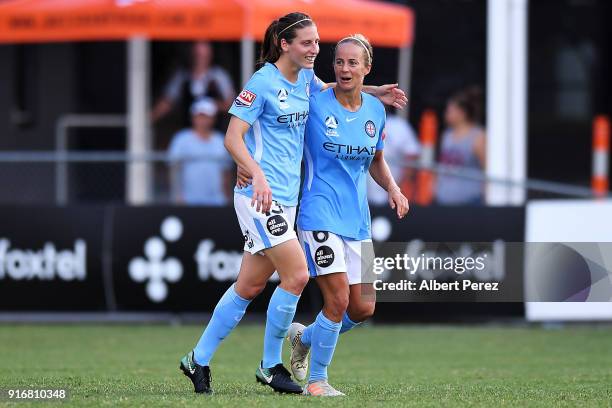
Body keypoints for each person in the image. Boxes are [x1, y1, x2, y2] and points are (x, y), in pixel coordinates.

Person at [179, 13, 408, 396]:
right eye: (308, 42)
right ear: (285, 44)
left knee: (249, 286)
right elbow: (233, 137)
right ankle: (270, 366)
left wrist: (376, 91)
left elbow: (338, 89)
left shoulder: (305, 79)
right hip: (258, 197)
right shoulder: (262, 82)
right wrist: (253, 170)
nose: (316, 49)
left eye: (318, 43)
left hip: (286, 199)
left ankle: (197, 359)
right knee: (298, 275)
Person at [287, 34, 410, 397]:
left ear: (366, 67)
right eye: (339, 61)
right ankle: (317, 382)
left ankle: (305, 338)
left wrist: (394, 188)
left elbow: (376, 159)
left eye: (352, 63)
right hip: (318, 213)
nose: (344, 68)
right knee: (337, 301)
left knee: (363, 308)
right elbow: (310, 85)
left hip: (357, 220)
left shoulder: (375, 111)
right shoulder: (315, 102)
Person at [152, 40, 236, 126]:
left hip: (214, 131)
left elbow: (232, 105)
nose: (200, 59)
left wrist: (211, 105)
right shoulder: (183, 76)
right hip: (188, 129)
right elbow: (168, 101)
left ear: (211, 54)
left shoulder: (219, 76)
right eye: (197, 55)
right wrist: (149, 117)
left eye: (204, 55)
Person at [168, 98, 233, 206]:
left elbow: (226, 173)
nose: (202, 120)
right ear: (193, 117)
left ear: (213, 118)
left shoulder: (221, 140)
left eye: (206, 116)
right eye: (199, 116)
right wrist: (177, 196)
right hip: (188, 202)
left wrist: (226, 198)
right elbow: (174, 170)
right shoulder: (181, 139)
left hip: (217, 202)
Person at [435, 86, 486, 205]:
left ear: (462, 113)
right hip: (443, 201)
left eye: (449, 111)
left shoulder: (478, 137)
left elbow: (487, 170)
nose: (446, 114)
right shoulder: (446, 136)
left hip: (470, 202)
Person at [367, 106, 420, 205]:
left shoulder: (399, 126)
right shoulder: (359, 121)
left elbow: (412, 156)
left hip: (392, 194)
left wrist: (401, 189)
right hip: (363, 196)